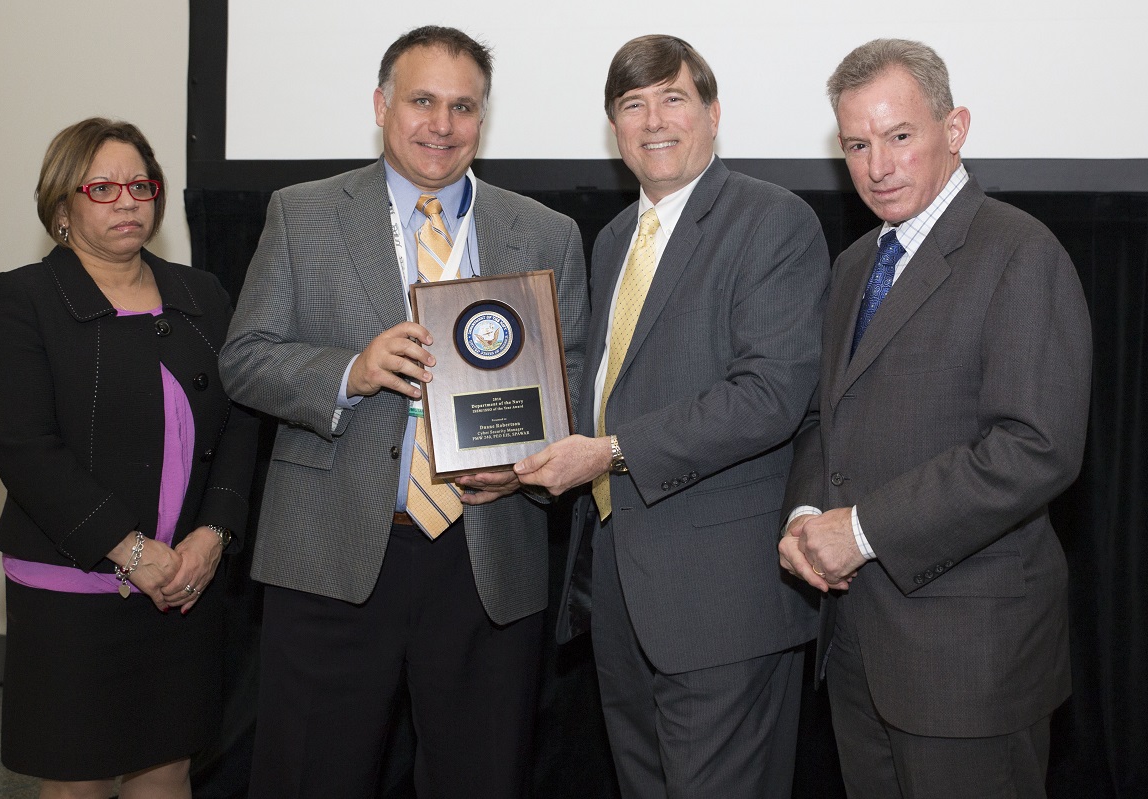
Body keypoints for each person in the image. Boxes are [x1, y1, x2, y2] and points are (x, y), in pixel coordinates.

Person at [219, 25, 588, 799]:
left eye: (463, 107)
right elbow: (244, 358)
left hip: (485, 556)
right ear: (382, 105)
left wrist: (526, 462)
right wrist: (350, 369)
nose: (441, 125)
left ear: (483, 120)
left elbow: (573, 380)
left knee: (481, 779)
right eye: (422, 101)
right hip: (331, 550)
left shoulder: (544, 232)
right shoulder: (304, 214)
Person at [515, 34, 828, 798]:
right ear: (614, 129)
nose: (654, 119)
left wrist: (609, 452)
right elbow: (604, 386)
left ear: (713, 114)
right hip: (620, 591)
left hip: (720, 601)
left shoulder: (772, 220)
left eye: (673, 97)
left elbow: (770, 396)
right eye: (632, 104)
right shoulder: (617, 236)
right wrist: (524, 444)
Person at [778, 39, 1092, 798]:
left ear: (955, 130)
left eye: (899, 136)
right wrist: (807, 513)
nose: (877, 165)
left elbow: (1034, 449)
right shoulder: (856, 264)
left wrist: (858, 530)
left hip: (970, 662)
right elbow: (830, 416)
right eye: (856, 144)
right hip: (857, 650)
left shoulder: (1021, 252)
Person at [0, 118, 258, 799]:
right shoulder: (22, 300)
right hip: (75, 587)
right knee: (80, 777)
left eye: (140, 184)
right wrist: (130, 549)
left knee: (168, 766)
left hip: (186, 583)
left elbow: (242, 425)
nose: (127, 200)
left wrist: (212, 537)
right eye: (102, 187)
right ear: (62, 207)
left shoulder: (203, 295)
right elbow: (25, 448)